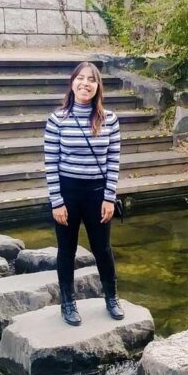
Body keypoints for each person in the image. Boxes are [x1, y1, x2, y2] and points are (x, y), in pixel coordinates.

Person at [44, 61, 123, 326]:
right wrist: (57, 202)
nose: (85, 84)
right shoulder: (57, 120)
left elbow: (114, 160)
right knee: (66, 250)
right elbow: (50, 163)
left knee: (102, 248)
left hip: (98, 193)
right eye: (81, 78)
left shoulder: (109, 119)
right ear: (72, 82)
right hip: (67, 192)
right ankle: (68, 303)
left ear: (98, 86)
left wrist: (109, 197)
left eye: (92, 79)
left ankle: (111, 298)